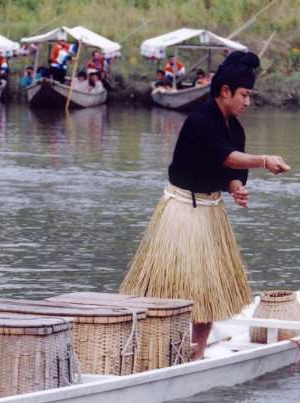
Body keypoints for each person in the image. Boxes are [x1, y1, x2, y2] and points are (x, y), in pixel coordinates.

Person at [120, 51, 291, 360]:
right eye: (244, 95)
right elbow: (225, 156)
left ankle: (196, 353)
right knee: (170, 289)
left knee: (207, 292)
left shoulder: (235, 127)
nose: (247, 102)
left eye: (249, 95)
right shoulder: (200, 120)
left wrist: (236, 188)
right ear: (225, 91)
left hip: (211, 214)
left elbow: (231, 171)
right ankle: (156, 349)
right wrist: (265, 160)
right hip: (182, 212)